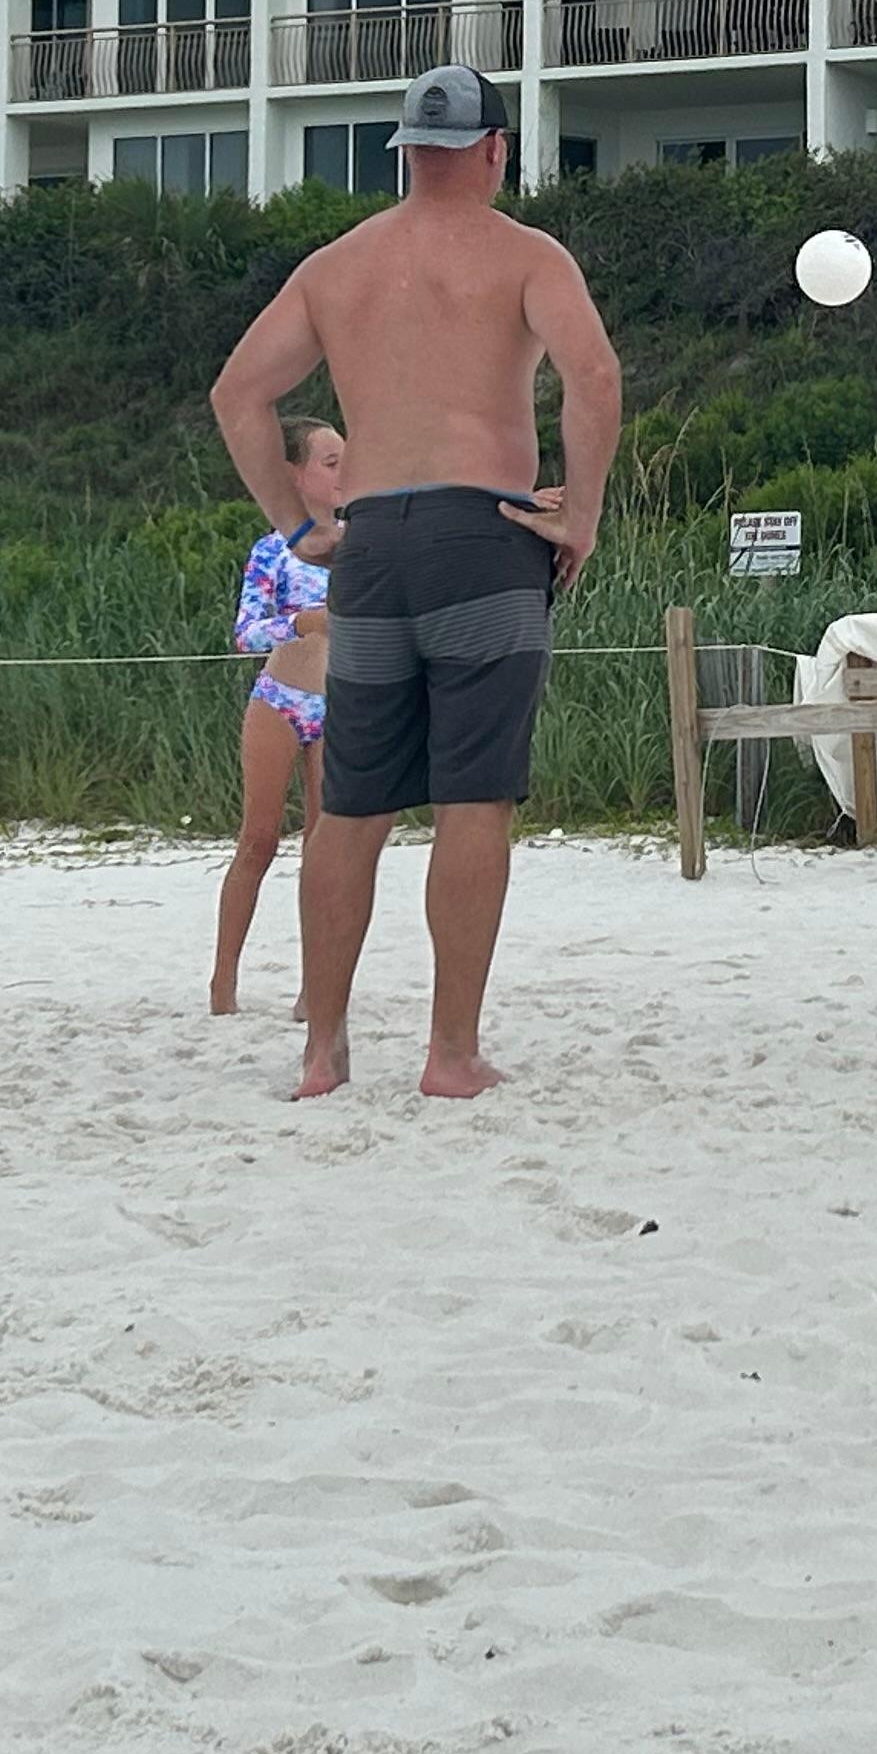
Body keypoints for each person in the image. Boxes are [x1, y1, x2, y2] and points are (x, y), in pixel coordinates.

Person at [209, 64, 622, 1101]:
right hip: (483, 537)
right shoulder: (525, 254)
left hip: (373, 547)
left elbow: (238, 394)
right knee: (473, 795)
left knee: (352, 806)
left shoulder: (336, 267)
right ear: (495, 150)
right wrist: (581, 512)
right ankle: (450, 1053)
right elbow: (593, 375)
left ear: (405, 152)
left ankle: (323, 1051)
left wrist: (299, 526)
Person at [211, 416, 347, 1016]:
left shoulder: (360, 543)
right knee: (259, 839)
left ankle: (314, 987)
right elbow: (246, 632)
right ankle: (223, 983)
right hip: (281, 701)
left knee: (326, 850)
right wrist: (302, 622)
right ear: (295, 475)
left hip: (340, 707)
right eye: (331, 463)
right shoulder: (274, 550)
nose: (345, 473)